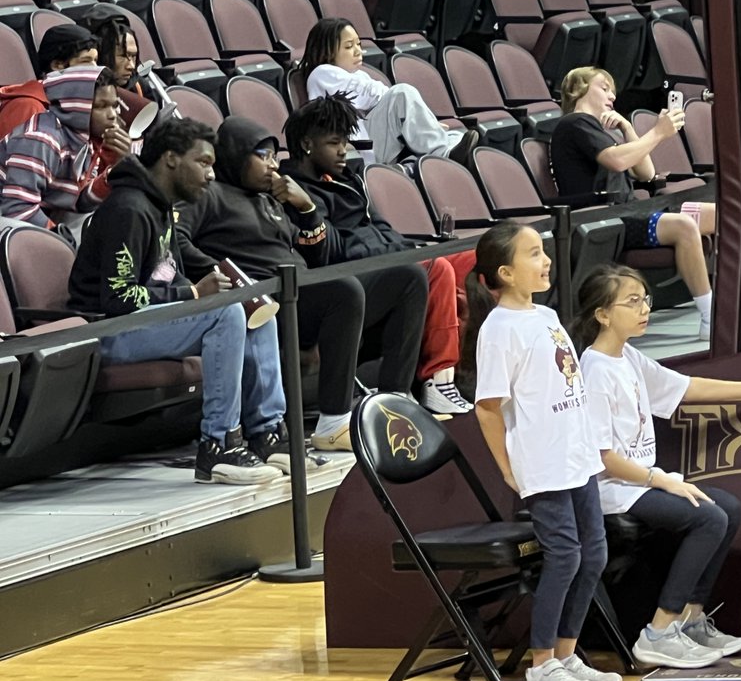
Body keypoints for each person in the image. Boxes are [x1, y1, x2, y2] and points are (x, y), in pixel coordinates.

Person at [573, 264, 741, 667]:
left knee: (729, 508)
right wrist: (663, 482)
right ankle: (658, 632)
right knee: (707, 517)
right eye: (632, 302)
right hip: (611, 489)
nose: (644, 309)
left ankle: (690, 618)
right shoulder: (595, 370)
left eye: (645, 300)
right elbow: (603, 458)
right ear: (603, 314)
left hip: (640, 482)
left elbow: (685, 387)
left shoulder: (629, 357)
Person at [174, 116, 430, 450]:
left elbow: (322, 257)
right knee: (344, 290)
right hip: (267, 303)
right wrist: (226, 274)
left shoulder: (271, 200)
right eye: (261, 156)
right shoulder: (210, 195)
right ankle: (333, 421)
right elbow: (176, 239)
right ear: (236, 155)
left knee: (409, 277)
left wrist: (307, 208)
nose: (270, 165)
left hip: (305, 293)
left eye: (272, 157)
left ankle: (394, 402)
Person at [67, 117, 285, 484]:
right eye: (203, 163)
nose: (212, 175)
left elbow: (165, 272)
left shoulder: (161, 206)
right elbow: (118, 297)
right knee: (224, 314)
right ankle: (218, 445)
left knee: (253, 309)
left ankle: (267, 434)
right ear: (170, 159)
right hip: (105, 332)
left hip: (143, 324)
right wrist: (194, 294)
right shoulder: (130, 209)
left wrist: (202, 289)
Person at [471, 222, 621, 681]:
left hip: (576, 456)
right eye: (533, 254)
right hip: (544, 461)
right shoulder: (498, 331)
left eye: (544, 251)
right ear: (506, 272)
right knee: (565, 556)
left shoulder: (546, 313)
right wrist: (507, 469)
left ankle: (566, 654)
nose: (546, 260)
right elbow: (487, 408)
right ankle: (540, 666)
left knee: (593, 553)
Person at [279, 94, 474, 414]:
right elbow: (327, 256)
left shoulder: (349, 181)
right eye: (334, 142)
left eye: (345, 141)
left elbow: (383, 229)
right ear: (307, 144)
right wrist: (311, 210)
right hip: (341, 288)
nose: (344, 150)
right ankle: (424, 386)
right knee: (432, 270)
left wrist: (391, 249)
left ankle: (472, 374)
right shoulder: (294, 193)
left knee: (476, 257)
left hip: (381, 266)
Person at [551, 66, 715, 340]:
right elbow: (617, 161)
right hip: (607, 220)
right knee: (685, 227)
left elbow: (646, 172)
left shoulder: (599, 131)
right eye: (604, 87)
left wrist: (627, 127)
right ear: (576, 89)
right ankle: (711, 316)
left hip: (631, 212)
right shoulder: (575, 123)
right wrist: (659, 133)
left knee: (723, 215)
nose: (612, 95)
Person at [298, 18, 479, 166]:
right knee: (402, 93)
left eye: (359, 44)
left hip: (376, 140)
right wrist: (414, 117)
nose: (358, 51)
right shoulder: (321, 73)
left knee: (457, 135)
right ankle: (443, 156)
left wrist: (423, 123)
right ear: (327, 52)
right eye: (348, 46)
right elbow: (371, 96)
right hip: (358, 147)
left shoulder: (357, 74)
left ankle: (415, 163)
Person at [0, 66, 130, 236]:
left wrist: (116, 170)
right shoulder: (42, 138)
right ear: (76, 107)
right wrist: (60, 238)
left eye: (114, 105)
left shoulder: (83, 140)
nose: (113, 115)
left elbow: (78, 202)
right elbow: (16, 209)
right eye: (102, 106)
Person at [0, 25, 98, 141]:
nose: (95, 68)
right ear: (57, 65)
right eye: (85, 61)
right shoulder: (28, 108)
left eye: (96, 61)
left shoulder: (74, 105)